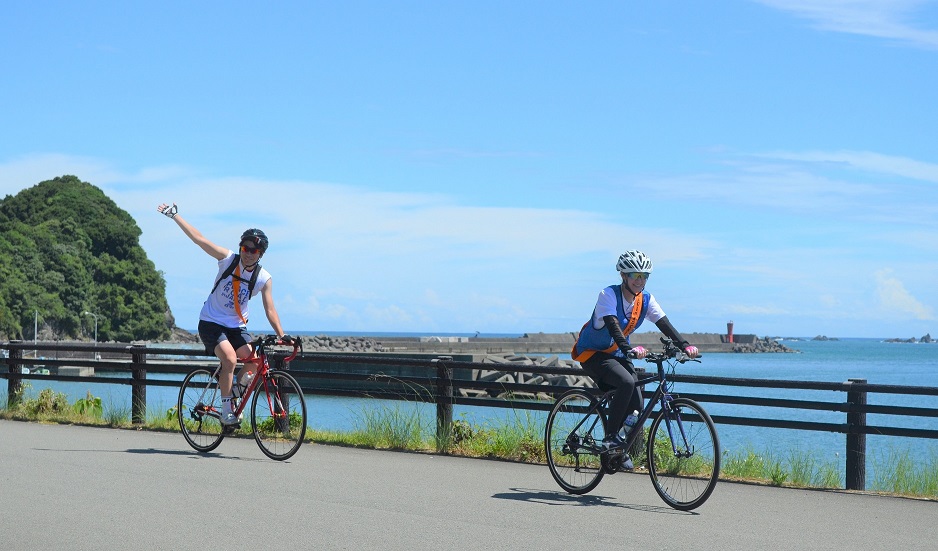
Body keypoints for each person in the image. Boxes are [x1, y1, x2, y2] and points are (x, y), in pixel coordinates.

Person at [157, 202, 293, 426]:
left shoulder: (263, 278)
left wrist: (282, 334)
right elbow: (200, 239)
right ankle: (227, 410)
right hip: (211, 322)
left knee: (254, 361)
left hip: (236, 326)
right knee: (229, 359)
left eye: (254, 251)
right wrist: (175, 216)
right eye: (245, 248)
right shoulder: (228, 260)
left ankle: (235, 394)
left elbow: (270, 309)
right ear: (240, 248)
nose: (248, 254)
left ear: (261, 254)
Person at [571, 250, 699, 461]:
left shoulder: (646, 299)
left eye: (644, 276)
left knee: (637, 407)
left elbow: (664, 324)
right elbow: (613, 326)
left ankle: (617, 450)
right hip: (593, 353)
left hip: (619, 354)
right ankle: (610, 439)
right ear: (623, 275)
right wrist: (629, 348)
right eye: (635, 275)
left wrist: (684, 345)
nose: (640, 280)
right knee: (626, 382)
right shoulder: (608, 295)